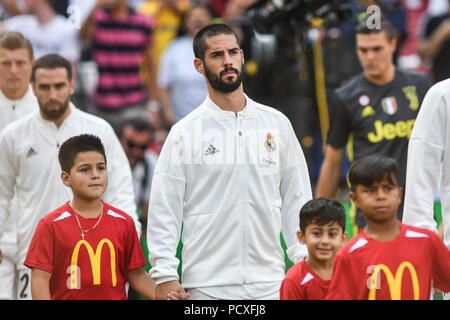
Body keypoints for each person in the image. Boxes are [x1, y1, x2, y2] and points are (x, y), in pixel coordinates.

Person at [146, 23, 313, 300]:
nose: (227, 61)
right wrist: (164, 274)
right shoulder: (184, 132)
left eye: (233, 52)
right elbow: (165, 208)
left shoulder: (277, 124)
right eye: (217, 55)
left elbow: (298, 198)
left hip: (271, 283)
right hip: (206, 287)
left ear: (242, 56)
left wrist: (303, 261)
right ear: (199, 65)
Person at [0, 53, 140, 300]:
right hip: (33, 259)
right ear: (32, 88)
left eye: (59, 86)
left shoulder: (99, 129)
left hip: (95, 261)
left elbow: (122, 192)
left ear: (71, 85)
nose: (52, 94)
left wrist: (128, 241)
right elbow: (1, 193)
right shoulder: (13, 135)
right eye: (44, 87)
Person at [23, 134, 188, 300]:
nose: (95, 175)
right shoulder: (50, 224)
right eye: (85, 169)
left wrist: (162, 295)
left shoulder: (124, 222)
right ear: (66, 179)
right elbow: (40, 281)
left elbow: (136, 275)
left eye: (101, 168)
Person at [316, 16, 432, 233]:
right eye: (363, 50)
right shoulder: (345, 97)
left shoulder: (420, 86)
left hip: (417, 211)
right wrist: (318, 218)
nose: (370, 56)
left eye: (377, 48)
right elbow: (332, 162)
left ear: (393, 44)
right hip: (369, 216)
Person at [326, 154, 450, 300]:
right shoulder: (349, 255)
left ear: (399, 194)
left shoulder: (426, 241)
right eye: (370, 190)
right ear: (355, 199)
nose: (380, 196)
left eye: (387, 188)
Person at [0, 31, 38, 300]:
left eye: (20, 63)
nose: (13, 70)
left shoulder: (47, 109)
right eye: (5, 63)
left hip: (34, 235)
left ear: (32, 64)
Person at [79, 0, 156, 128]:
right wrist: (97, 5)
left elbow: (152, 65)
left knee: (132, 146)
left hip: (134, 101)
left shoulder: (143, 22)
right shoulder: (98, 18)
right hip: (103, 102)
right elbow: (82, 36)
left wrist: (153, 103)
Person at [280, 198, 348, 300]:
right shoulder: (294, 280)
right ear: (301, 237)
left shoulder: (351, 271)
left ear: (343, 238)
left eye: (332, 234)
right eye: (317, 233)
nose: (325, 241)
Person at [157, 2, 213, 125]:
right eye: (192, 16)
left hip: (214, 119)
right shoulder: (174, 48)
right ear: (186, 22)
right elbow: (163, 83)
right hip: (181, 120)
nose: (197, 19)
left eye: (202, 15)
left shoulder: (219, 45)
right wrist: (167, 113)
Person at [118, 117, 158, 229]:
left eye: (142, 147)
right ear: (119, 140)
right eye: (131, 145)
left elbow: (150, 211)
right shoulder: (102, 163)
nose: (136, 152)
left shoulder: (151, 163)